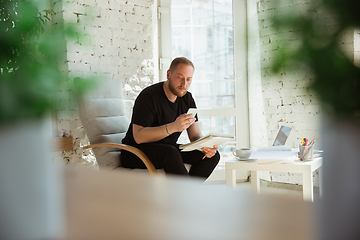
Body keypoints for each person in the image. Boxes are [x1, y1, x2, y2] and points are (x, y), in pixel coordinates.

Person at [121, 57, 220, 179]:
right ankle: (187, 195)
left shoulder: (187, 99)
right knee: (171, 152)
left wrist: (204, 145)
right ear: (169, 74)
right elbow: (139, 136)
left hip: (168, 150)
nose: (184, 84)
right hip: (136, 152)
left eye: (189, 79)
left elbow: (195, 135)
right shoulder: (148, 96)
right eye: (180, 77)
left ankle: (187, 193)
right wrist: (173, 127)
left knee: (212, 156)